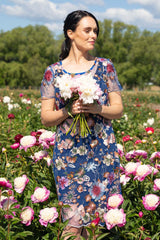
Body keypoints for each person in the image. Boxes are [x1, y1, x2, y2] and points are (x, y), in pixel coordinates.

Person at [40, 10, 123, 240]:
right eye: (87, 30)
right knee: (73, 225)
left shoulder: (105, 67)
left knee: (97, 225)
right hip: (68, 158)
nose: (93, 35)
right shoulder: (53, 72)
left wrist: (99, 109)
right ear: (70, 33)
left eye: (95, 30)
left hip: (101, 153)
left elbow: (118, 109)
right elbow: (46, 118)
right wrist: (67, 111)